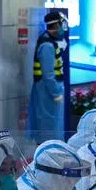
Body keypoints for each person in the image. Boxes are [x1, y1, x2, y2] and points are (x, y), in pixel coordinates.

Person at [26, 11, 68, 146]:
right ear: (55, 25)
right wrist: (56, 93)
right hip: (47, 92)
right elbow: (48, 74)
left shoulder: (49, 41)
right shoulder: (47, 46)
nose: (63, 27)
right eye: (61, 24)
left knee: (51, 124)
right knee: (49, 126)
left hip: (47, 90)